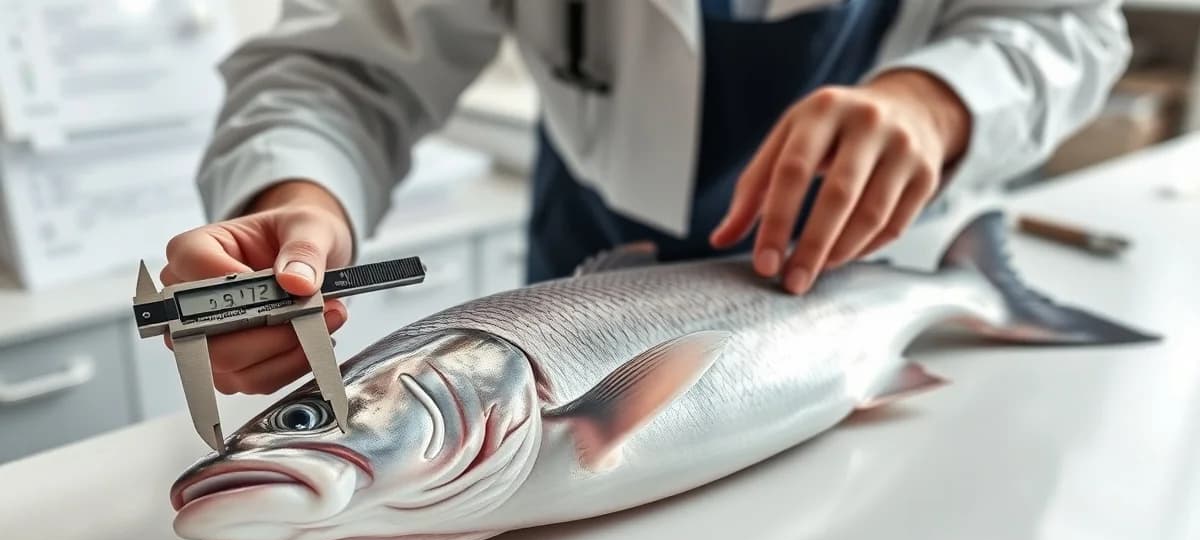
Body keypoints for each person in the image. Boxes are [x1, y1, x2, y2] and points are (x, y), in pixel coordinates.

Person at [161, 0, 1131, 396]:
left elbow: (1072, 22)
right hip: (587, 285)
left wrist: (942, 99)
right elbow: (339, 63)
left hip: (871, 283)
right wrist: (297, 194)